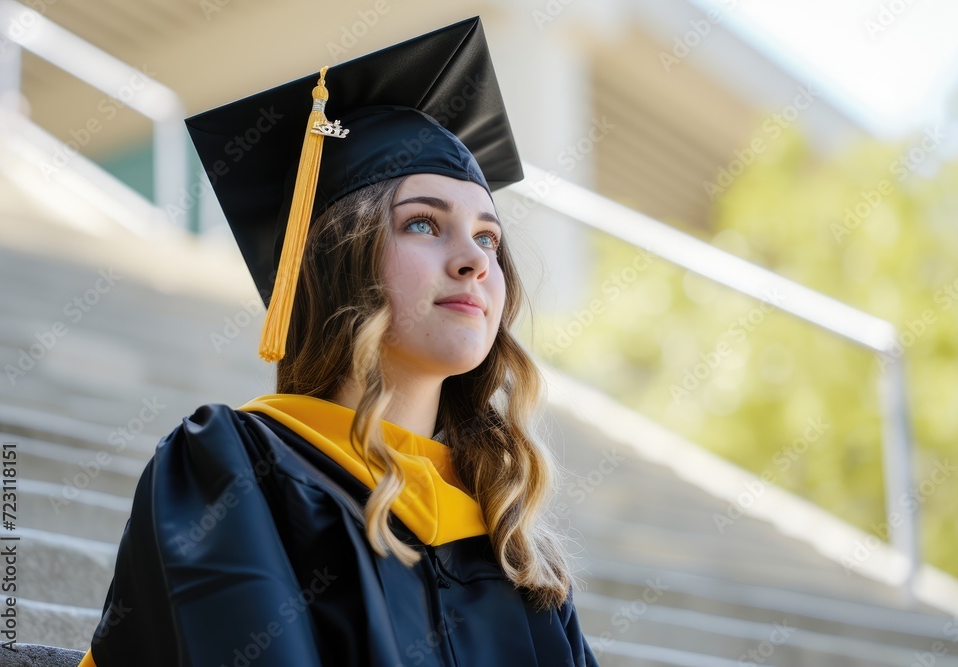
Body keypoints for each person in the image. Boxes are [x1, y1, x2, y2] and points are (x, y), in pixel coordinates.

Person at [77, 16, 598, 667]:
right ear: (335, 261)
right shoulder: (230, 470)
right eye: (422, 224)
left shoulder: (519, 556)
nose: (473, 259)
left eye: (488, 237)